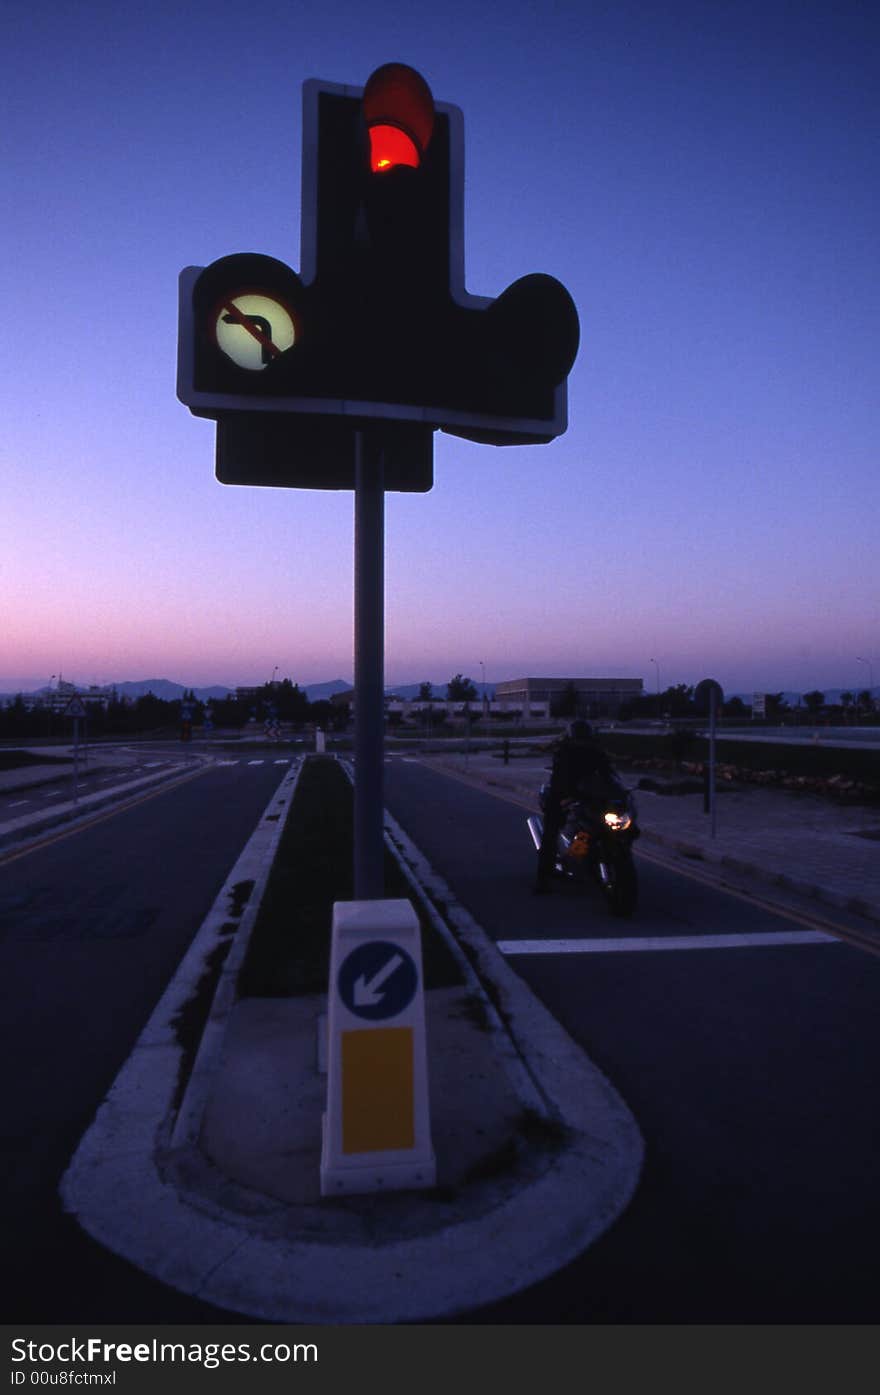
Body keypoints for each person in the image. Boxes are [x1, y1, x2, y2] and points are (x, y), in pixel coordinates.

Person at [534, 719, 615, 893]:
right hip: (564, 797)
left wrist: (618, 792)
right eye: (579, 737)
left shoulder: (597, 753)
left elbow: (609, 775)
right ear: (572, 737)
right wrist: (567, 795)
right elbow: (559, 779)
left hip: (592, 797)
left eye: (584, 737)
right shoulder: (563, 754)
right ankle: (543, 879)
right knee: (551, 833)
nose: (581, 741)